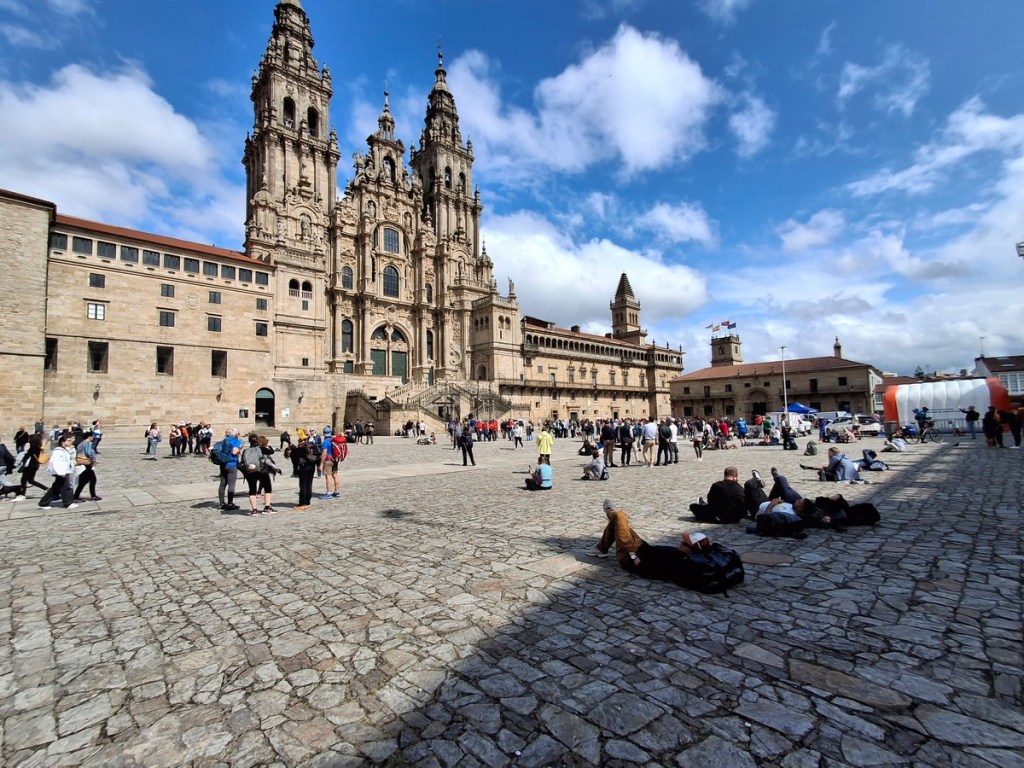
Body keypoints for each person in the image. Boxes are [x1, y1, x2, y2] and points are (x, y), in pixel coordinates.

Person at [590, 499, 645, 569]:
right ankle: (612, 519)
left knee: (619, 516)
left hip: (629, 553)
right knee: (618, 522)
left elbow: (641, 566)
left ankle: (609, 511)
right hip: (642, 547)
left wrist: (632, 554)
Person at [38, 432, 79, 510]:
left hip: (66, 471)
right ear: (63, 442)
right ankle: (67, 503)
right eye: (68, 440)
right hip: (61, 472)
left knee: (56, 488)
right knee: (65, 487)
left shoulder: (65, 450)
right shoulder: (58, 451)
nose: (70, 442)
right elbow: (57, 462)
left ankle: (43, 502)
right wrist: (61, 472)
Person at [241, 433, 275, 515]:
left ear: (249, 441)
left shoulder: (246, 451)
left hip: (250, 471)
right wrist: (269, 445)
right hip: (261, 470)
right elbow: (271, 452)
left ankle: (254, 510)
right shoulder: (261, 449)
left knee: (252, 491)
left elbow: (242, 462)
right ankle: (267, 508)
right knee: (267, 488)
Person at [15, 434, 49, 500]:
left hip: (30, 466)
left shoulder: (33, 448)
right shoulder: (38, 447)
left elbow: (26, 456)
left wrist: (23, 456)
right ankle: (46, 488)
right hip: (35, 465)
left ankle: (21, 495)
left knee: (23, 480)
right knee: (30, 480)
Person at [217, 428, 244, 511]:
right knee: (231, 484)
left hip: (223, 464)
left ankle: (221, 503)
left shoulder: (224, 440)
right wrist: (240, 448)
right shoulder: (236, 441)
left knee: (222, 484)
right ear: (236, 434)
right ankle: (230, 503)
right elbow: (234, 452)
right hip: (232, 464)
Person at [72, 432, 101, 502]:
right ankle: (93, 495)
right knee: (93, 480)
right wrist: (93, 460)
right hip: (87, 463)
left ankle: (76, 495)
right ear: (89, 437)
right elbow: (89, 452)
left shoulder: (80, 444)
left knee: (83, 481)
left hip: (82, 463)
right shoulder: (88, 443)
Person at [293, 436, 320, 510]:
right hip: (312, 467)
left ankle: (302, 502)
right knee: (309, 484)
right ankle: (308, 501)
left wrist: (295, 472)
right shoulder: (313, 446)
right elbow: (318, 456)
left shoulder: (299, 448)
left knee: (303, 485)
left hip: (303, 467)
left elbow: (295, 462)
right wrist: (318, 465)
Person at [319, 433, 345, 498]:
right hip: (335, 460)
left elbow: (324, 453)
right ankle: (336, 492)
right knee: (335, 475)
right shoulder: (334, 440)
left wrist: (321, 464)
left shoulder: (326, 442)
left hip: (328, 461)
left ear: (324, 433)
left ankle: (328, 493)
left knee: (328, 476)